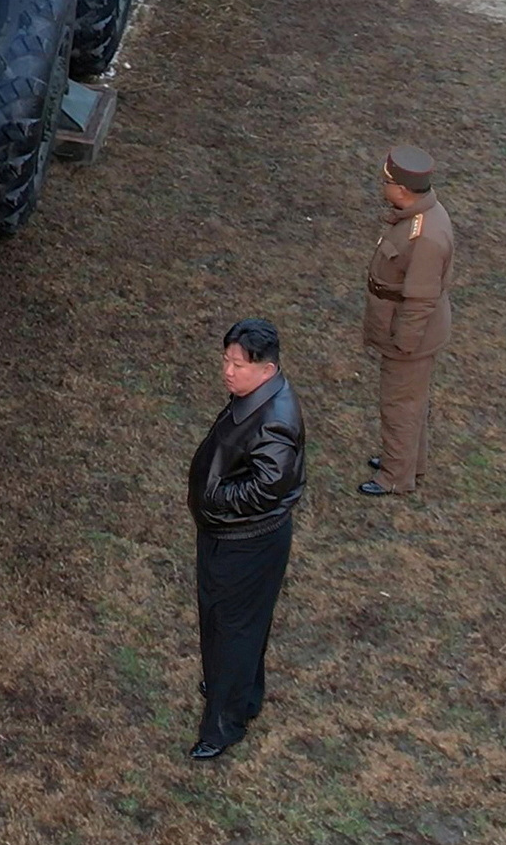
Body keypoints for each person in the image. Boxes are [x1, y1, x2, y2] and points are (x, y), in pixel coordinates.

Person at [185, 318, 304, 760]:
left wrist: (212, 495)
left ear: (267, 371)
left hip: (246, 543)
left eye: (238, 365)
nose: (228, 372)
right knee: (239, 624)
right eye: (226, 361)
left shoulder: (276, 422)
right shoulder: (257, 398)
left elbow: (263, 488)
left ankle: (223, 725)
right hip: (232, 535)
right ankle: (240, 692)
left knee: (232, 627)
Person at [360, 145, 455, 498]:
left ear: (401, 189)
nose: (382, 187)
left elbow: (420, 298)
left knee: (399, 404)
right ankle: (406, 462)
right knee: (410, 400)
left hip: (410, 335)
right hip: (404, 328)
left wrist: (404, 342)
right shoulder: (419, 216)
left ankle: (395, 477)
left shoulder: (425, 236)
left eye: (386, 182)